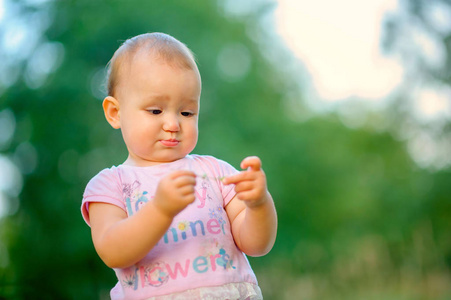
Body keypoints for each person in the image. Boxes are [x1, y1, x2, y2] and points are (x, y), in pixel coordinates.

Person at [81, 32, 277, 300]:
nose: (173, 124)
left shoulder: (215, 172)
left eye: (186, 112)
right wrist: (160, 210)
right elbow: (112, 251)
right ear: (115, 113)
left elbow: (256, 245)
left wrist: (259, 204)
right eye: (155, 111)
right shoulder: (110, 185)